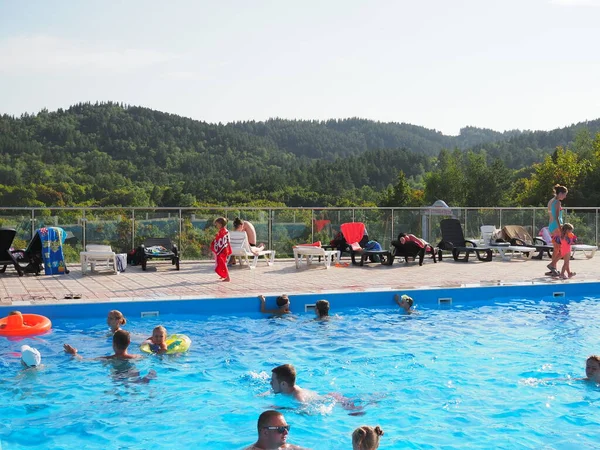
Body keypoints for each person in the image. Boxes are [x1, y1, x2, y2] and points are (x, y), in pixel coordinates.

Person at [64, 329, 142, 361]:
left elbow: (83, 360)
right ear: (129, 342)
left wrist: (74, 353)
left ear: (113, 344)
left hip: (118, 378)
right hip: (131, 374)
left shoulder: (107, 359)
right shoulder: (137, 357)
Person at [546, 184, 568, 276]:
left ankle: (553, 269)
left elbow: (551, 215)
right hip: (556, 226)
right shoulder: (558, 202)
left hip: (551, 226)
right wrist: (561, 229)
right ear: (560, 194)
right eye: (565, 194)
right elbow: (557, 218)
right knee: (561, 249)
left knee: (556, 248)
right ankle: (552, 266)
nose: (565, 196)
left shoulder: (551, 201)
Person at [211, 217, 232, 282]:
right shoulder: (224, 230)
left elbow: (221, 241)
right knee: (222, 263)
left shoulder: (223, 231)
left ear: (220, 224)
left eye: (217, 224)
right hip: (224, 249)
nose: (216, 225)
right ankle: (223, 275)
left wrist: (215, 240)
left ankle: (228, 277)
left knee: (223, 263)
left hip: (223, 250)